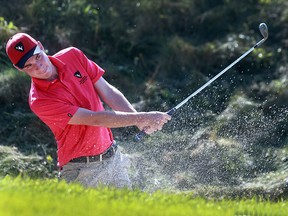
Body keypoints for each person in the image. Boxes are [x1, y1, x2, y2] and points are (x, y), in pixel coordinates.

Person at [6, 33, 171, 189]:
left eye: (38, 57)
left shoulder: (73, 56)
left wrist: (140, 121)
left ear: (40, 46)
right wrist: (142, 118)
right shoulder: (39, 100)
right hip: (82, 171)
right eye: (29, 65)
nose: (39, 67)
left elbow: (108, 92)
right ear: (19, 68)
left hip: (113, 158)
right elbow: (95, 119)